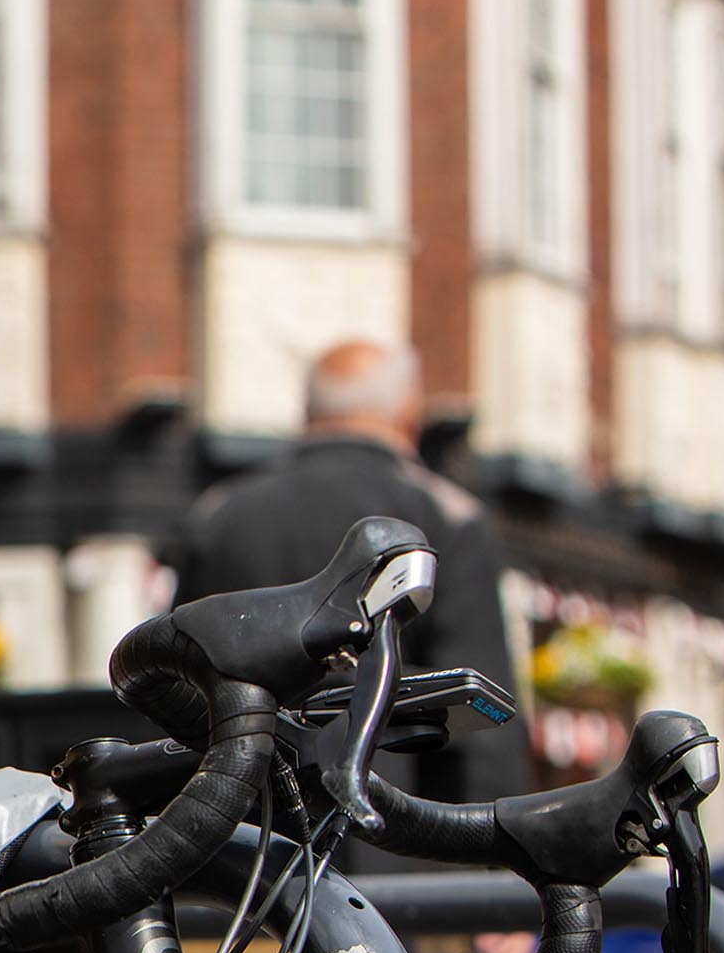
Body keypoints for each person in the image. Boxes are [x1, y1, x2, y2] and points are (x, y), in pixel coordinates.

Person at [166, 339, 530, 812]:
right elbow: (486, 714)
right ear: (409, 408)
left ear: (310, 410)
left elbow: (176, 683)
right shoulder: (446, 515)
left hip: (241, 833)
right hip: (390, 836)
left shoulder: (219, 515)